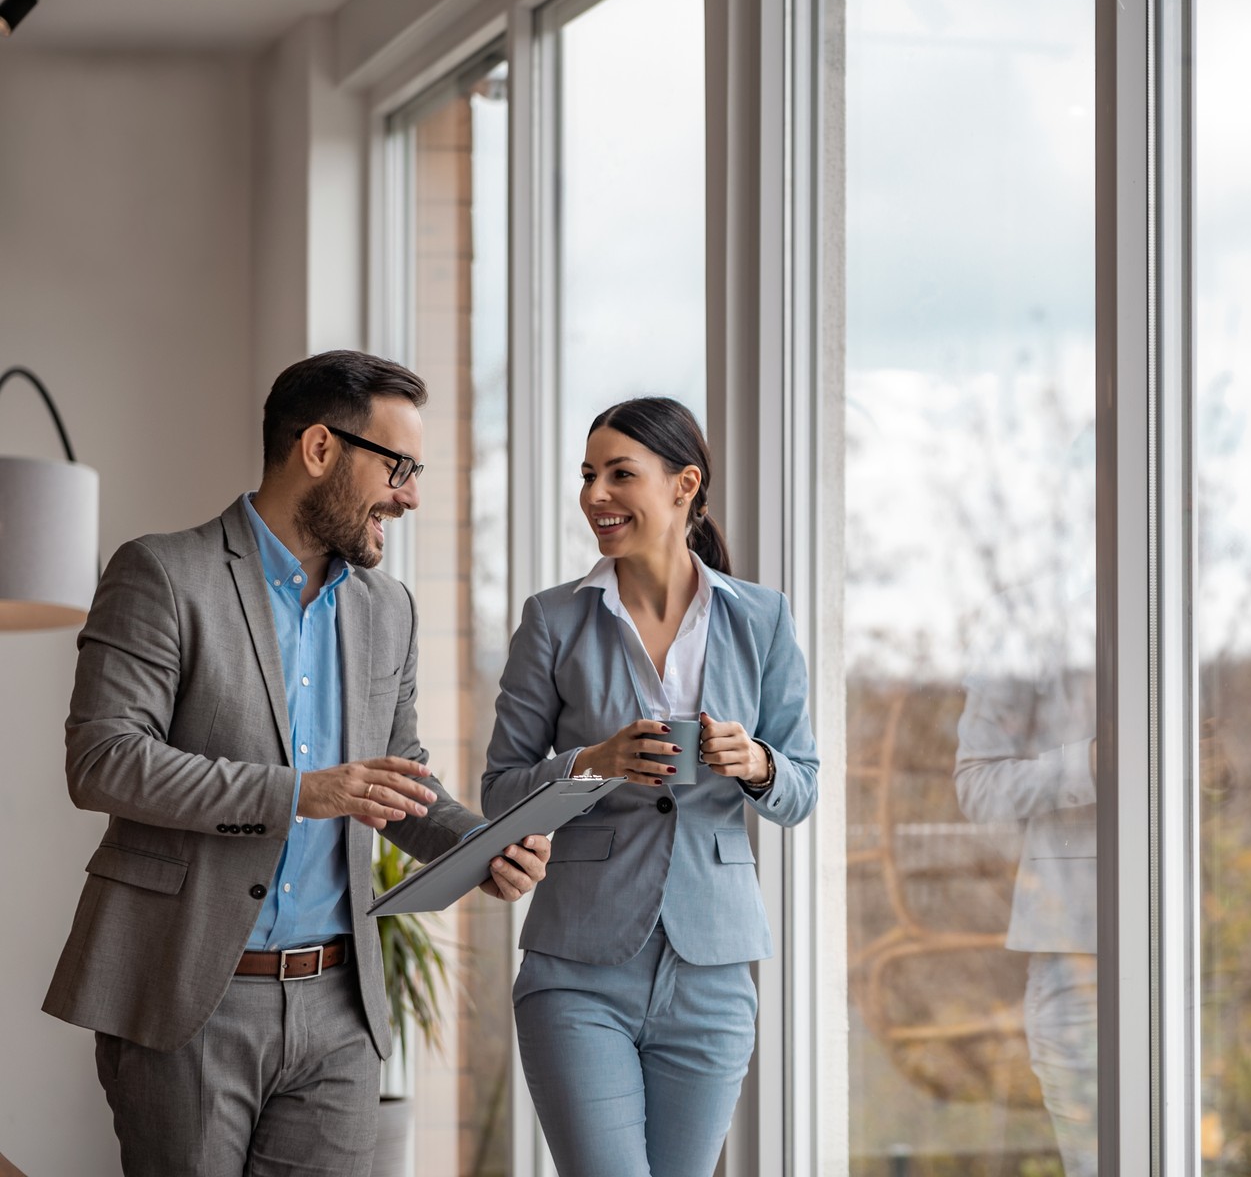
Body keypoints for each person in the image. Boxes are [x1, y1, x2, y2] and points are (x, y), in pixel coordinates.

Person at [42, 350, 551, 1176]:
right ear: (320, 448)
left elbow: (399, 775)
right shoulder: (163, 573)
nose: (411, 494)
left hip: (341, 1010)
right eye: (399, 467)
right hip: (191, 995)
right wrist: (299, 793)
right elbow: (104, 759)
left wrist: (483, 847)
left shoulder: (390, 609)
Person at [482, 396, 818, 1177]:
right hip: (577, 971)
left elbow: (802, 786)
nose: (595, 494)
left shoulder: (761, 619)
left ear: (683, 485)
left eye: (619, 474)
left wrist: (758, 762)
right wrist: (594, 762)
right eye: (587, 475)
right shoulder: (553, 620)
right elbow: (501, 791)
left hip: (714, 972)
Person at [952, 577, 1097, 1177]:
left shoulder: (1191, 611)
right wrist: (1091, 764)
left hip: (1205, 958)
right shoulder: (1026, 628)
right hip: (1078, 962)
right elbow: (977, 788)